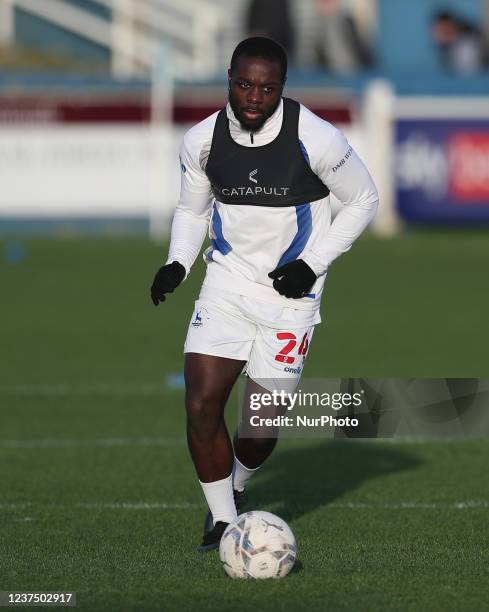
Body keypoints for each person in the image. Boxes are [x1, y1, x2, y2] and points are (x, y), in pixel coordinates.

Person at [150, 37, 378, 552]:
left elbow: (364, 199)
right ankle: (224, 522)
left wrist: (311, 265)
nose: (255, 96)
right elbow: (191, 210)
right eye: (245, 84)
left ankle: (235, 484)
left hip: (290, 299)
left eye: (268, 88)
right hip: (225, 285)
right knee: (201, 403)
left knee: (260, 426)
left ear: (282, 88)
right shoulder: (201, 140)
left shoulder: (315, 137)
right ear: (229, 78)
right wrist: (178, 263)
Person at [431, 10, 485, 74]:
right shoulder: (448, 47)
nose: (438, 35)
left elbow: (469, 71)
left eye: (442, 30)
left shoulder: (466, 46)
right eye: (437, 31)